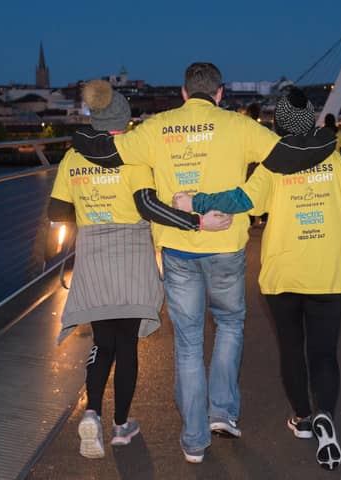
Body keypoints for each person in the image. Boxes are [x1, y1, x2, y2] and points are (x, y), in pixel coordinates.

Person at [70, 63, 337, 463]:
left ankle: (195, 439)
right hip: (226, 245)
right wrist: (328, 140)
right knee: (230, 325)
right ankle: (223, 414)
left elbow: (108, 151)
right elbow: (288, 154)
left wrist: (79, 136)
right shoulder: (239, 126)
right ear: (220, 93)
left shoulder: (158, 127)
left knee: (189, 342)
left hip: (178, 249)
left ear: (182, 93)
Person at [173, 88, 341, 470]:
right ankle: (326, 417)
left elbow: (241, 200)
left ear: (279, 124)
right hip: (329, 274)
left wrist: (196, 202)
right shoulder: (334, 162)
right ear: (311, 121)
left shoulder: (273, 166)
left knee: (291, 348)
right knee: (323, 352)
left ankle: (303, 419)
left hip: (283, 275)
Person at [48, 80, 231, 459]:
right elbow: (149, 205)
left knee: (102, 341)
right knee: (127, 343)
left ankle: (92, 412)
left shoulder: (71, 158)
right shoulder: (133, 158)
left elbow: (57, 212)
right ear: (124, 122)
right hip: (131, 254)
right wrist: (196, 222)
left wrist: (88, 207)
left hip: (94, 255)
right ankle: (120, 426)